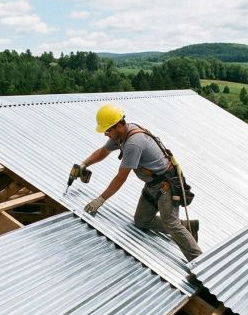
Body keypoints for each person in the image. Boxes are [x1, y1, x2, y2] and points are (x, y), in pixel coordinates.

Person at [74, 103, 202, 262]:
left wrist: (101, 199)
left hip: (166, 187)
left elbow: (121, 177)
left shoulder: (133, 143)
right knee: (141, 221)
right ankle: (190, 227)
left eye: (108, 130)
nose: (106, 134)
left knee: (171, 223)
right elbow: (103, 151)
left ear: (119, 125)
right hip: (152, 185)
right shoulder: (121, 135)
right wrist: (84, 164)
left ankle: (200, 264)